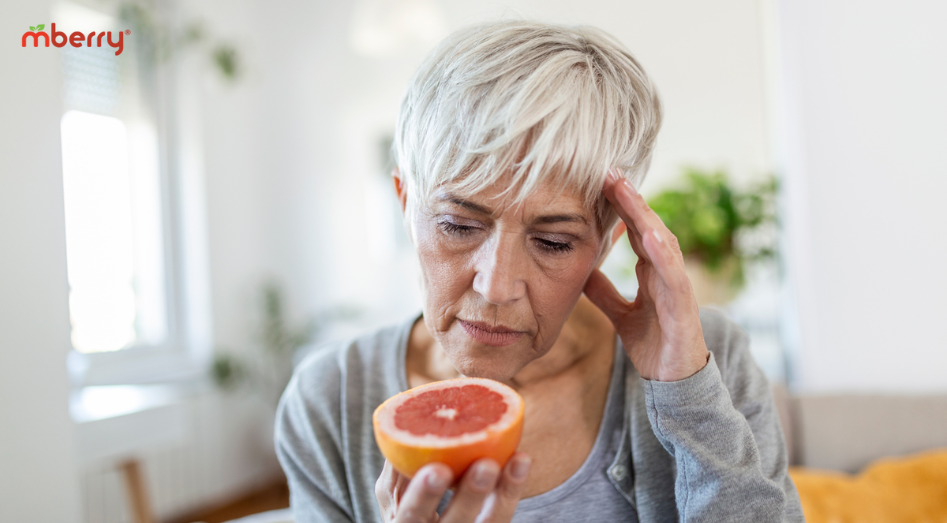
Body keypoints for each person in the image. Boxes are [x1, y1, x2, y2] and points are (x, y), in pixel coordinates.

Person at [275, 20, 804, 523]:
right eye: (459, 226)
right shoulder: (329, 402)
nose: (497, 287)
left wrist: (690, 399)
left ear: (605, 244)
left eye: (553, 242)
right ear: (405, 202)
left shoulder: (705, 360)